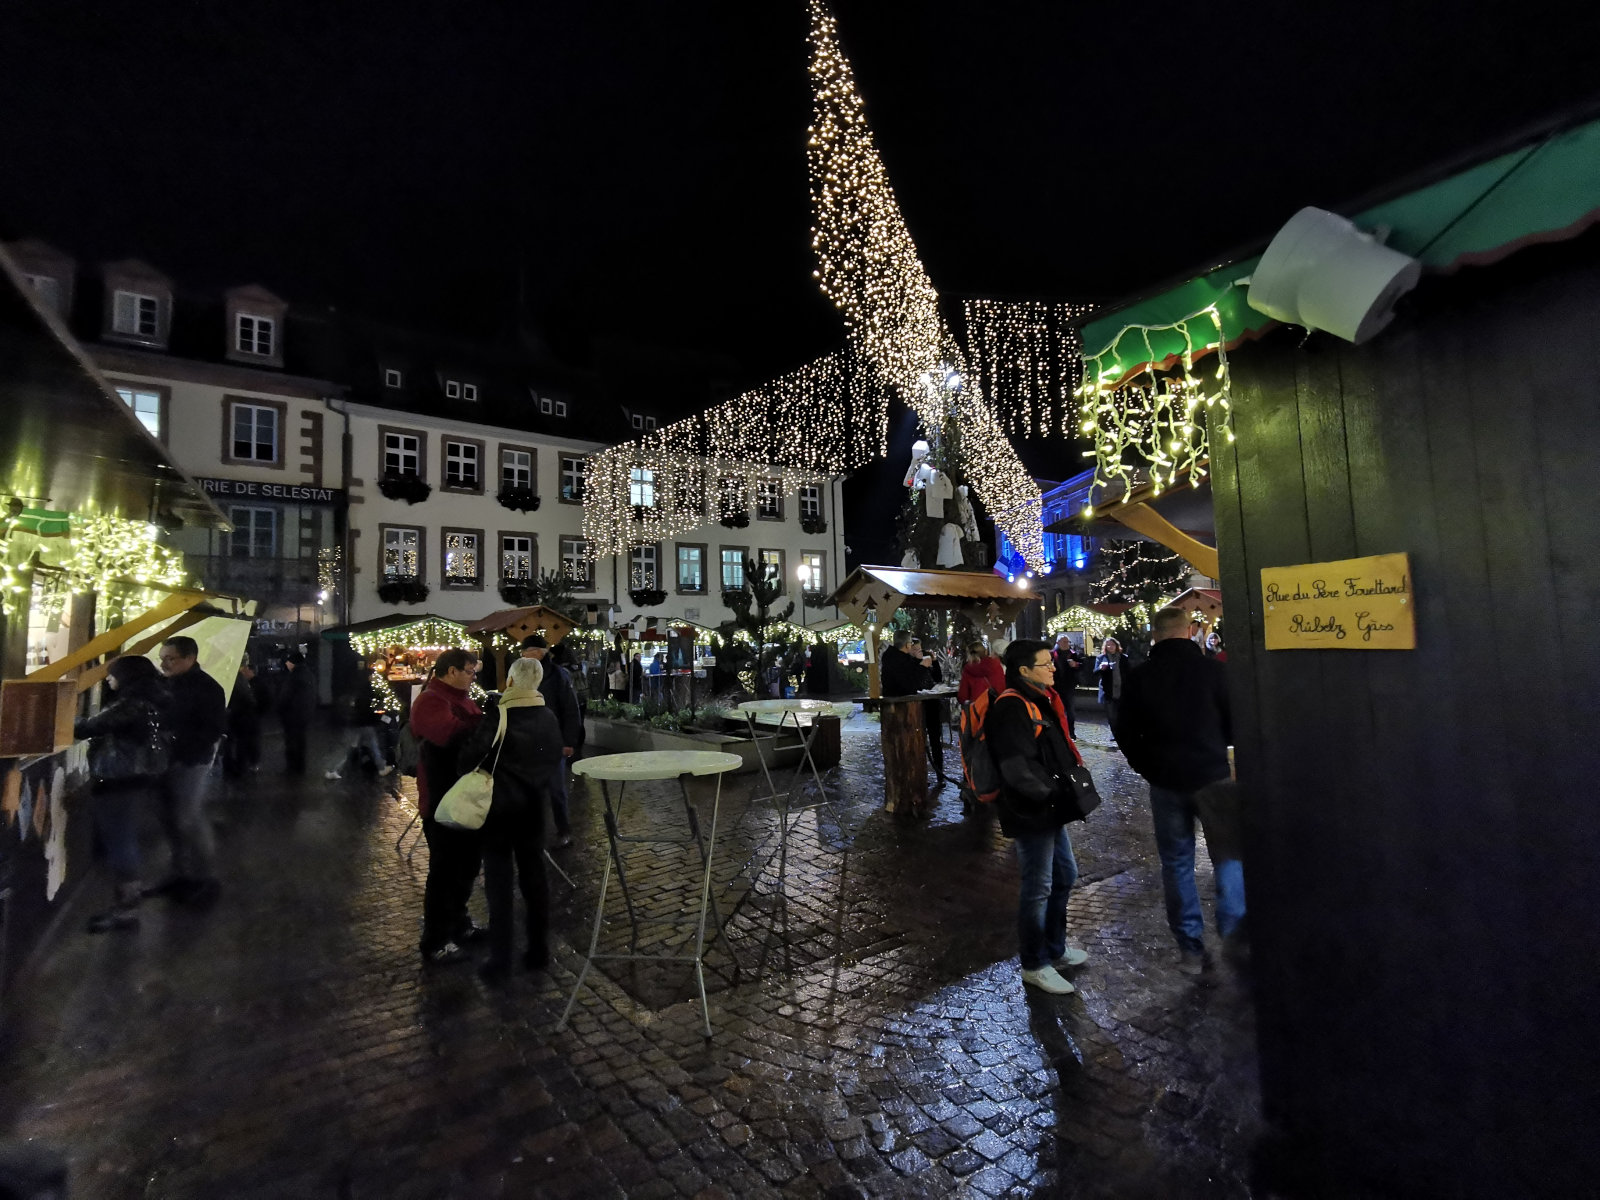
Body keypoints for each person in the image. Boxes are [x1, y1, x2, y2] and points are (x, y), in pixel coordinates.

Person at [1114, 607, 1243, 975]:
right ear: (1189, 631)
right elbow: (1236, 723)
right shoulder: (1214, 671)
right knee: (1229, 858)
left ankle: (1190, 948)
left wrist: (1147, 767)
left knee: (1177, 863)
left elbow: (1124, 732)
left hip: (1166, 781)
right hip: (1213, 777)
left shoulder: (1141, 677)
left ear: (1155, 635)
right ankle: (1234, 936)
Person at [988, 639, 1089, 995]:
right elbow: (1016, 767)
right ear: (1024, 671)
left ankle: (1054, 948)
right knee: (1038, 885)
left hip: (1050, 808)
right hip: (1031, 811)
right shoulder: (1012, 706)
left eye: (1052, 662)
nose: (1053, 668)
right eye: (1046, 663)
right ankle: (1034, 963)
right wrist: (1050, 794)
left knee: (1065, 874)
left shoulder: (1039, 698)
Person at [457, 656, 563, 984]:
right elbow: (553, 757)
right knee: (535, 881)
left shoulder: (499, 714)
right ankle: (538, 950)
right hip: (533, 808)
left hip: (499, 811)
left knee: (499, 886)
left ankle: (501, 958)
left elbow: (469, 758)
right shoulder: (548, 717)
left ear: (512, 682)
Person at [73, 655, 171, 932]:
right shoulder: (154, 697)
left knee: (120, 843)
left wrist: (56, 716)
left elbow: (88, 728)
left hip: (119, 779)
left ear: (127, 676)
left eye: (112, 673)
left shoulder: (132, 703)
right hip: (136, 779)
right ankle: (128, 903)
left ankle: (127, 911)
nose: (108, 678)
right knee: (123, 840)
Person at [410, 648, 486, 965]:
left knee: (466, 867)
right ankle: (436, 940)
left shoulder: (460, 697)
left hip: (463, 799)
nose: (473, 677)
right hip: (442, 803)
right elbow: (451, 735)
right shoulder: (431, 700)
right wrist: (483, 726)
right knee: (444, 871)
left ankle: (460, 924)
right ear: (452, 671)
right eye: (470, 671)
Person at [147, 636, 226, 907]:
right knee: (168, 817)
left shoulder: (208, 688)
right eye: (162, 658)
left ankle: (206, 877)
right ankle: (179, 872)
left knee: (188, 818)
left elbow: (212, 730)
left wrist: (178, 741)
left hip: (191, 760)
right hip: (163, 761)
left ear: (190, 658)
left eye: (171, 659)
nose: (164, 664)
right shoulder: (164, 684)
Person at [518, 635, 582, 846]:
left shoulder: (557, 674)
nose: (523, 655)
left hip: (553, 741)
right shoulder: (520, 674)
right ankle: (533, 830)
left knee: (556, 790)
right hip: (528, 741)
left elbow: (570, 709)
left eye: (526, 651)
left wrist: (568, 741)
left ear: (539, 652)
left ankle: (563, 830)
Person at [882, 631, 946, 778]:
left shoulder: (904, 660)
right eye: (914, 648)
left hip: (929, 704)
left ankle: (938, 773)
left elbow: (937, 677)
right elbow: (910, 685)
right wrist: (922, 666)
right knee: (917, 740)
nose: (917, 651)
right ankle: (918, 775)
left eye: (919, 649)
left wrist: (933, 662)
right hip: (913, 708)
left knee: (935, 739)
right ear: (908, 647)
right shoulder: (903, 662)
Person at [324, 660, 394, 780]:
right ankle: (381, 767)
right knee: (370, 744)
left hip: (356, 722)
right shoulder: (366, 689)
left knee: (350, 746)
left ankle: (333, 769)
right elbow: (365, 708)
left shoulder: (357, 687)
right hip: (362, 723)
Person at [222, 657, 262, 777]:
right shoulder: (239, 679)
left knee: (237, 743)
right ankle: (240, 767)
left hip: (237, 716)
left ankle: (237, 768)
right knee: (241, 743)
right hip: (241, 716)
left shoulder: (233, 678)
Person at [279, 651, 316, 775]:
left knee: (292, 741)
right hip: (304, 713)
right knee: (300, 740)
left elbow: (286, 696)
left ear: (293, 662)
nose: (286, 663)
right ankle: (300, 766)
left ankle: (292, 767)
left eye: (288, 661)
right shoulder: (308, 674)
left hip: (292, 715)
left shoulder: (294, 676)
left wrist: (281, 709)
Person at [1094, 637, 1130, 736]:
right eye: (1108, 645)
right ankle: (1115, 734)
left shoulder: (1123, 658)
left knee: (1121, 714)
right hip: (1107, 691)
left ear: (1116, 646)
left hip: (1121, 690)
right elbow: (1095, 672)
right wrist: (1101, 668)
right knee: (1111, 715)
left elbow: (1128, 673)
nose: (1110, 647)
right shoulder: (1101, 658)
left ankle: (1121, 732)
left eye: (1112, 645)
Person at [1051, 635, 1082, 738]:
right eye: (1063, 642)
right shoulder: (1052, 654)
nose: (1066, 644)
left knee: (1071, 711)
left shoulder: (1073, 654)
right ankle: (1059, 731)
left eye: (1067, 642)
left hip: (1069, 686)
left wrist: (1076, 665)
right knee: (1057, 710)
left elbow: (1082, 666)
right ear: (1057, 643)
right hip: (1055, 686)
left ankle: (1071, 732)